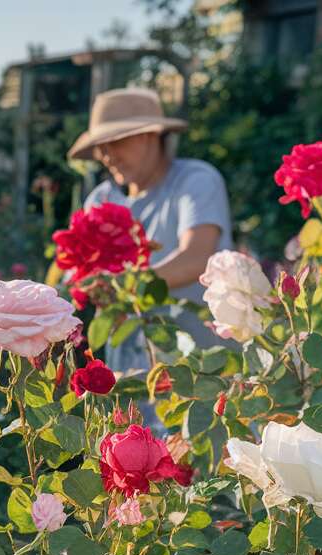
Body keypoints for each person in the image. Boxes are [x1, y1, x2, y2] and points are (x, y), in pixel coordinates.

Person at [68, 87, 233, 375]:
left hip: (205, 369)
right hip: (134, 371)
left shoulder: (195, 181)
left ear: (150, 135)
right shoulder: (100, 200)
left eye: (114, 142)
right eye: (100, 147)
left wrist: (121, 286)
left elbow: (196, 258)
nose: (106, 156)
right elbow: (83, 276)